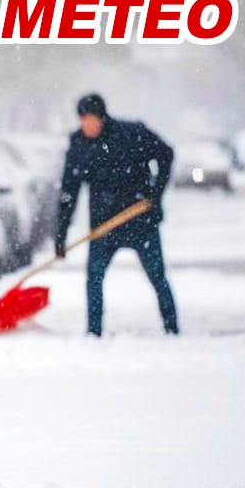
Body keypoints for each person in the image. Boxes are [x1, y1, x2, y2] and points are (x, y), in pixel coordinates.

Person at [55, 93, 178, 337]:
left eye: (91, 119)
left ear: (102, 118)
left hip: (140, 221)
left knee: (157, 277)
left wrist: (156, 194)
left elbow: (166, 154)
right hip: (104, 227)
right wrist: (60, 234)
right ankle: (94, 333)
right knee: (94, 279)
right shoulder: (79, 146)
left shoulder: (131, 134)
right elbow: (69, 192)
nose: (87, 125)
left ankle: (172, 328)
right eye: (83, 120)